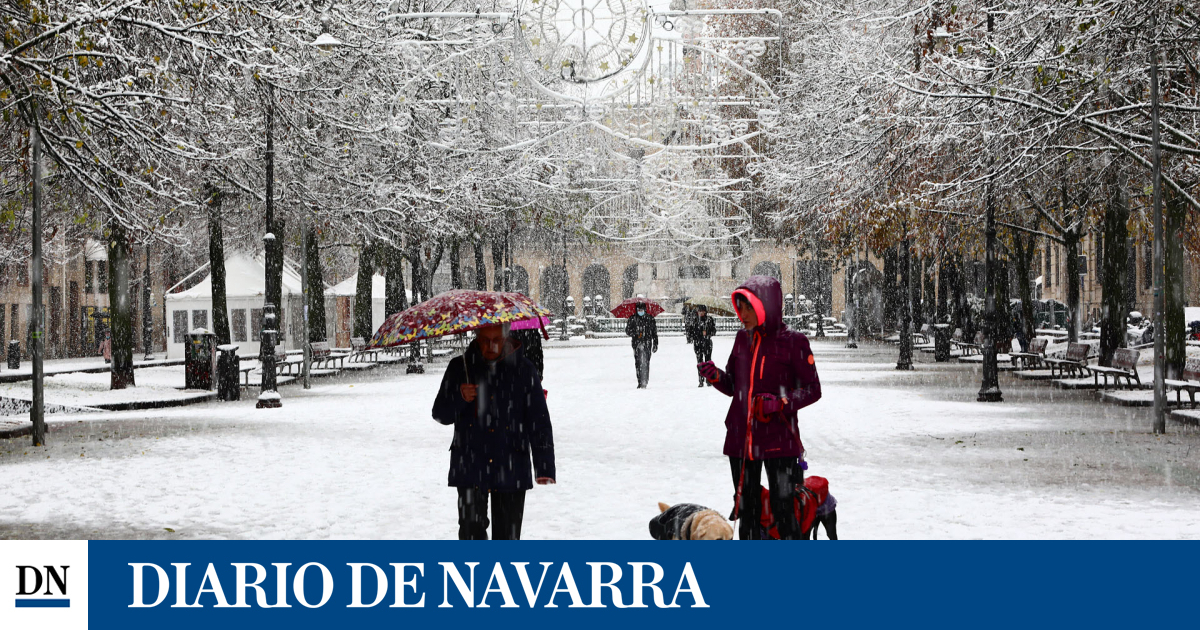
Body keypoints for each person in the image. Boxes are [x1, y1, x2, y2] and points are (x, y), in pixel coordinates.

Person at [698, 275, 822, 540]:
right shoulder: (743, 339)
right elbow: (733, 385)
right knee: (748, 511)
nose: (741, 314)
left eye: (748, 307)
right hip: (741, 440)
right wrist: (716, 376)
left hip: (779, 439)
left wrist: (780, 402)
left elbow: (813, 389)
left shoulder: (794, 342)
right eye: (739, 307)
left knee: (784, 511)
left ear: (766, 305)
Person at [432, 324, 556, 540]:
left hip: (511, 462)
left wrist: (544, 465)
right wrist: (458, 398)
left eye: (497, 339)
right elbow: (440, 414)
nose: (491, 346)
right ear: (476, 338)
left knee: (507, 537)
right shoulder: (459, 367)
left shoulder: (524, 369)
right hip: (470, 462)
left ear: (507, 337)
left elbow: (539, 420)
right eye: (485, 340)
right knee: (471, 533)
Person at [625, 302, 658, 388]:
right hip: (637, 343)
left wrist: (655, 343)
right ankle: (640, 380)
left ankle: (645, 380)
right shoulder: (633, 319)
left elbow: (654, 332)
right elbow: (627, 331)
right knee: (638, 362)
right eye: (639, 310)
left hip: (647, 342)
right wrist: (635, 333)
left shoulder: (650, 319)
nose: (640, 311)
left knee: (646, 362)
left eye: (642, 310)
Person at [687, 305, 717, 387]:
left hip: (707, 343)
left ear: (705, 312)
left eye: (702, 311)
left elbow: (714, 331)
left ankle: (708, 379)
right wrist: (697, 334)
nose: (700, 313)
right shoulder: (695, 320)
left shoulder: (709, 320)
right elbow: (690, 333)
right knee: (700, 362)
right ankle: (701, 380)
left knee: (708, 361)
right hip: (698, 344)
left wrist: (707, 333)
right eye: (699, 311)